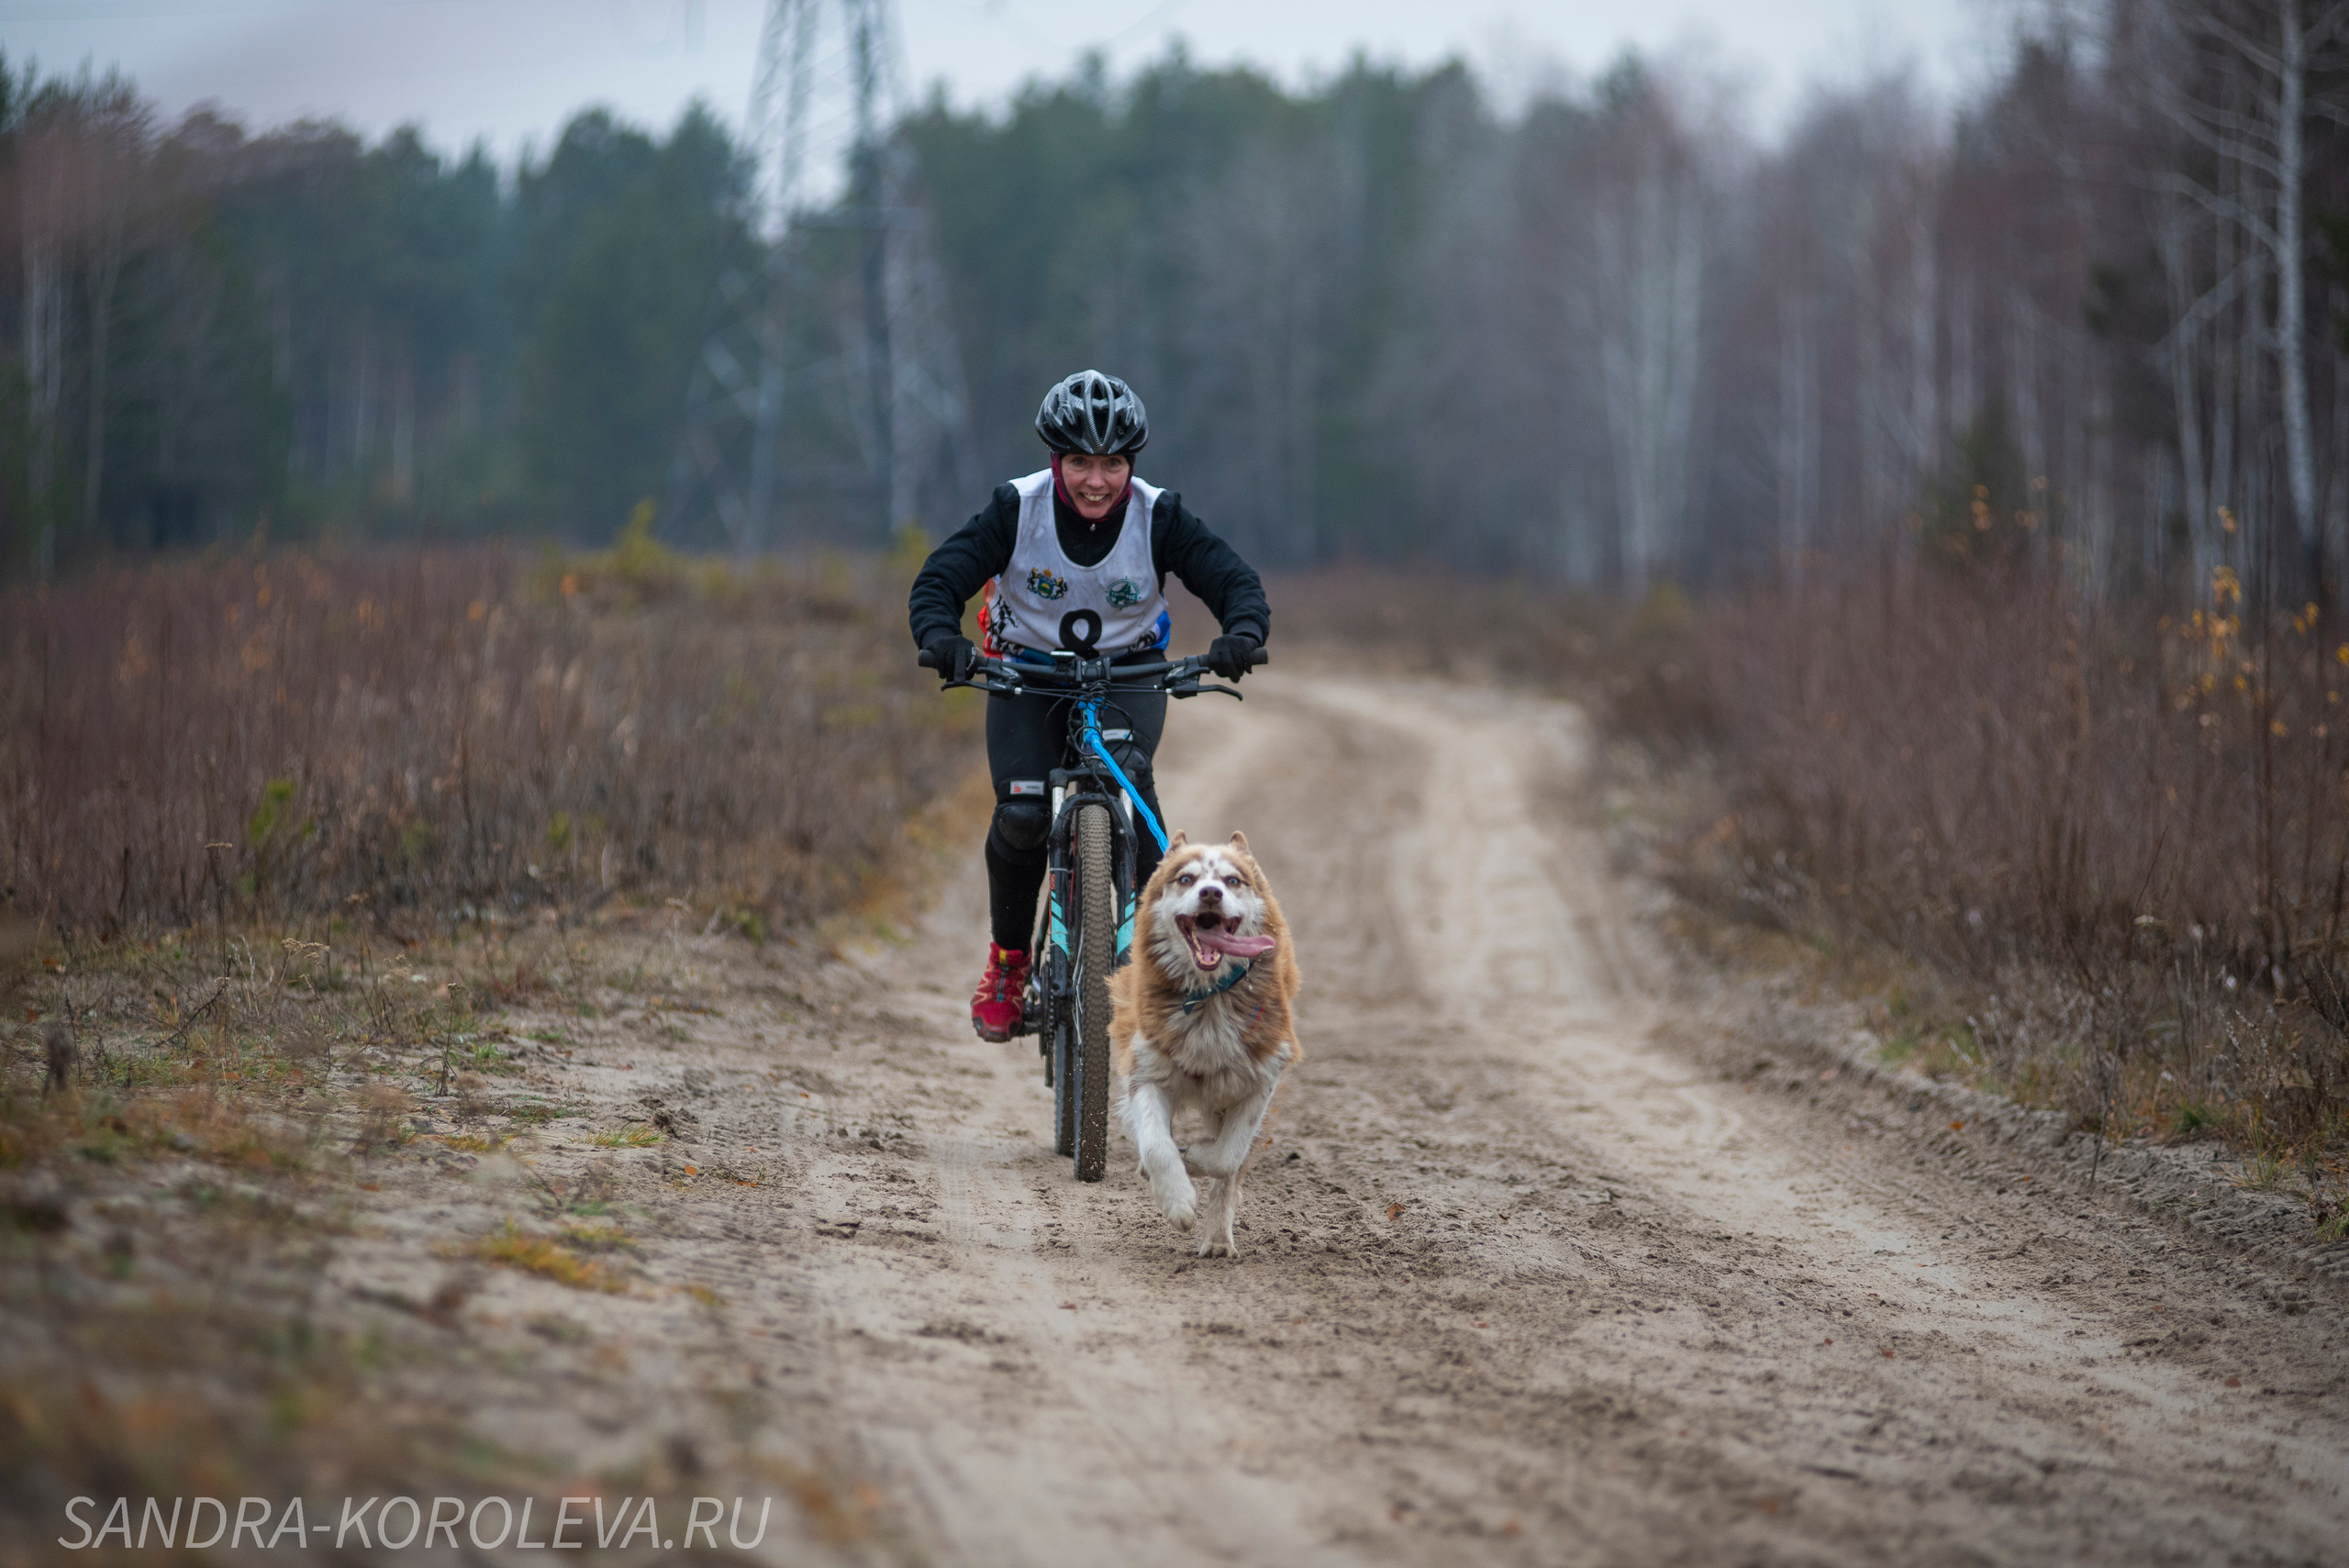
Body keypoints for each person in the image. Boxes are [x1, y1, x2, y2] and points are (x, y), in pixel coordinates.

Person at [909, 370, 1270, 1042]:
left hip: (1127, 676)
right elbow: (940, 578)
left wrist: (1242, 631)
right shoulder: (1016, 508)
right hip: (1026, 675)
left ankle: (1153, 969)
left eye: (1112, 463)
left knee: (1137, 814)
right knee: (1020, 816)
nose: (1096, 480)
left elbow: (1230, 577)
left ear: (1131, 463)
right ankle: (1009, 966)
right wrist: (941, 637)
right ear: (1056, 460)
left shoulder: (1159, 515)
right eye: (1080, 462)